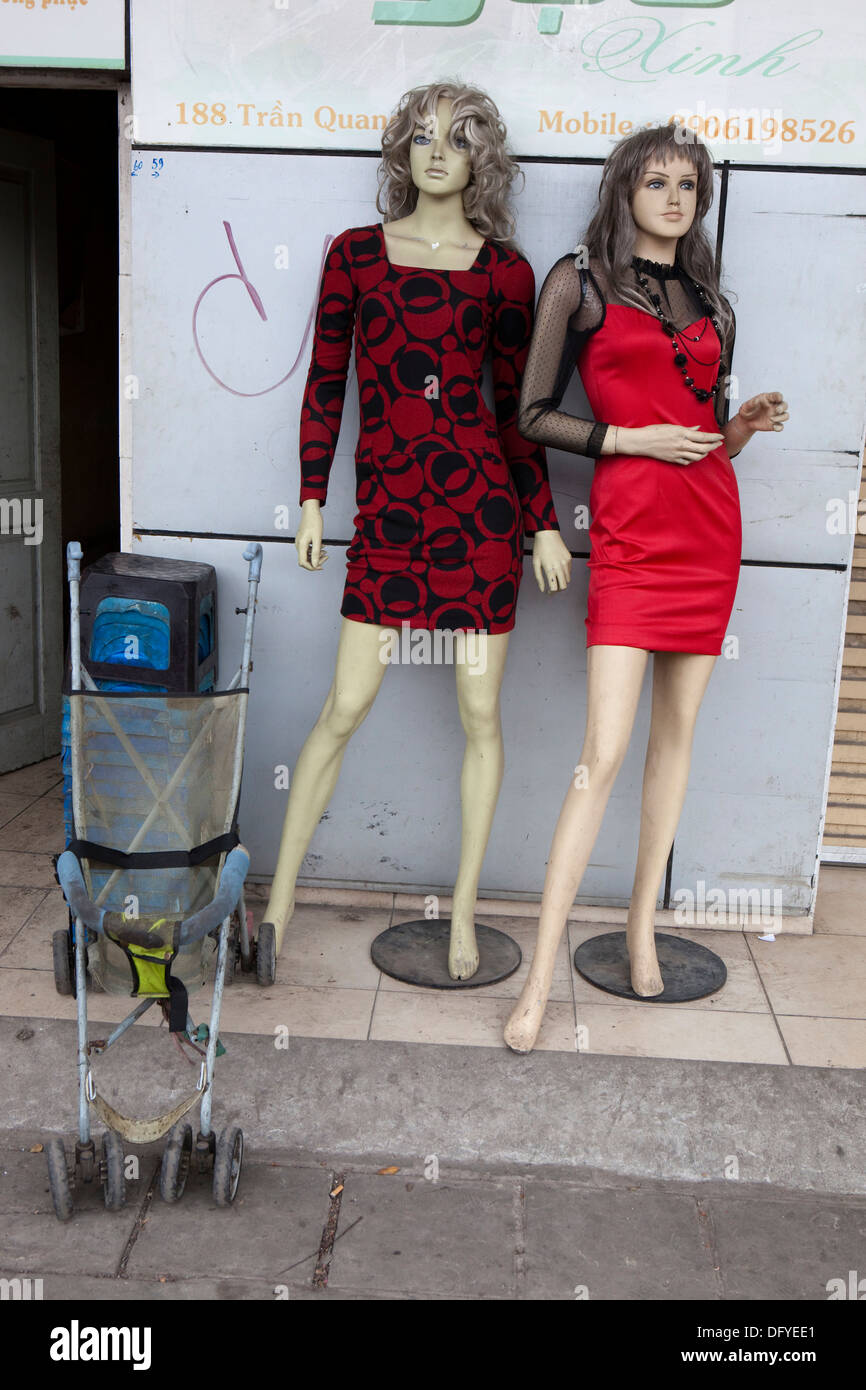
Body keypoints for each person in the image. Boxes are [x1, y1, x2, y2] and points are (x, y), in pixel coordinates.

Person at [261, 80, 571, 982]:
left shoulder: (506, 272)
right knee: (344, 706)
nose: (439, 152)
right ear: (401, 149)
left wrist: (545, 525)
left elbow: (520, 414)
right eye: (424, 136)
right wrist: (314, 496)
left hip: (479, 518)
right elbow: (327, 382)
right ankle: (276, 906)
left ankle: (465, 914)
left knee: (481, 713)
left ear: (482, 158)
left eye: (459, 139)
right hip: (390, 517)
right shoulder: (355, 256)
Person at [504, 123, 788, 1050]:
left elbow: (702, 425)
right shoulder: (577, 283)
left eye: (688, 184)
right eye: (656, 181)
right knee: (604, 752)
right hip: (629, 536)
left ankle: (638, 927)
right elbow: (532, 413)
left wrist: (738, 426)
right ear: (624, 189)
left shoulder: (713, 301)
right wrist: (627, 440)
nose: (673, 196)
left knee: (676, 743)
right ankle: (540, 979)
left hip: (708, 527)